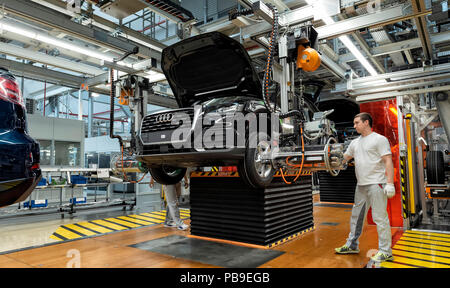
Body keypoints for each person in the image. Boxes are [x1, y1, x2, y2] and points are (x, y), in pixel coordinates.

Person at [334, 112, 396, 263]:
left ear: (366, 122)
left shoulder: (379, 140)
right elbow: (345, 158)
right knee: (356, 217)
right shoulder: (355, 143)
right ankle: (352, 245)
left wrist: (390, 183)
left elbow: (388, 160)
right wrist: (332, 159)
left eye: (357, 123)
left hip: (377, 184)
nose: (354, 126)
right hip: (361, 185)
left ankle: (385, 251)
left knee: (380, 218)